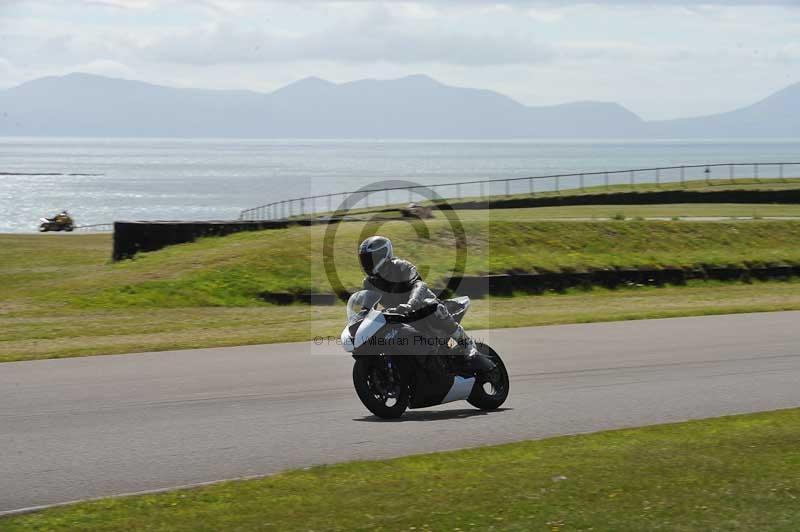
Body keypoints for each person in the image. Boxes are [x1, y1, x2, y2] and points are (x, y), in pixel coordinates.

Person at [358, 235, 479, 360]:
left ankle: (466, 344)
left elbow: (419, 284)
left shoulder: (401, 266)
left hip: (421, 309)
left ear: (383, 255)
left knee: (431, 305)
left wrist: (411, 303)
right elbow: (367, 307)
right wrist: (360, 318)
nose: (367, 264)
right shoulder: (369, 282)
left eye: (370, 259)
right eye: (364, 260)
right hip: (399, 315)